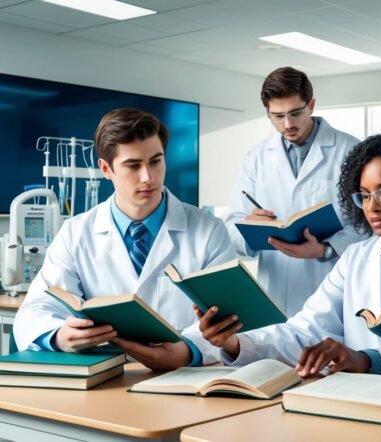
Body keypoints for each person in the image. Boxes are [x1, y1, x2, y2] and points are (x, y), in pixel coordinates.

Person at [199, 135, 381, 378]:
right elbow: (305, 330)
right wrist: (236, 343)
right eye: (364, 195)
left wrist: (367, 361)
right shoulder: (355, 258)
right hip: (356, 402)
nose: (372, 207)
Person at [14, 108, 236, 369]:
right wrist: (59, 336)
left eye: (156, 161)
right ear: (106, 169)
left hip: (183, 379)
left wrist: (188, 351)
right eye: (133, 165)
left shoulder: (208, 231)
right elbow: (36, 309)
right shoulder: (76, 233)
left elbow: (229, 320)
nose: (148, 177)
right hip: (105, 376)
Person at [224, 67, 362, 316]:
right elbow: (232, 226)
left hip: (331, 290)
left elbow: (370, 227)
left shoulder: (351, 151)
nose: (287, 124)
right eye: (277, 116)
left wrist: (326, 249)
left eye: (295, 113)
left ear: (311, 104)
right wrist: (250, 226)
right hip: (275, 293)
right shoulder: (256, 157)